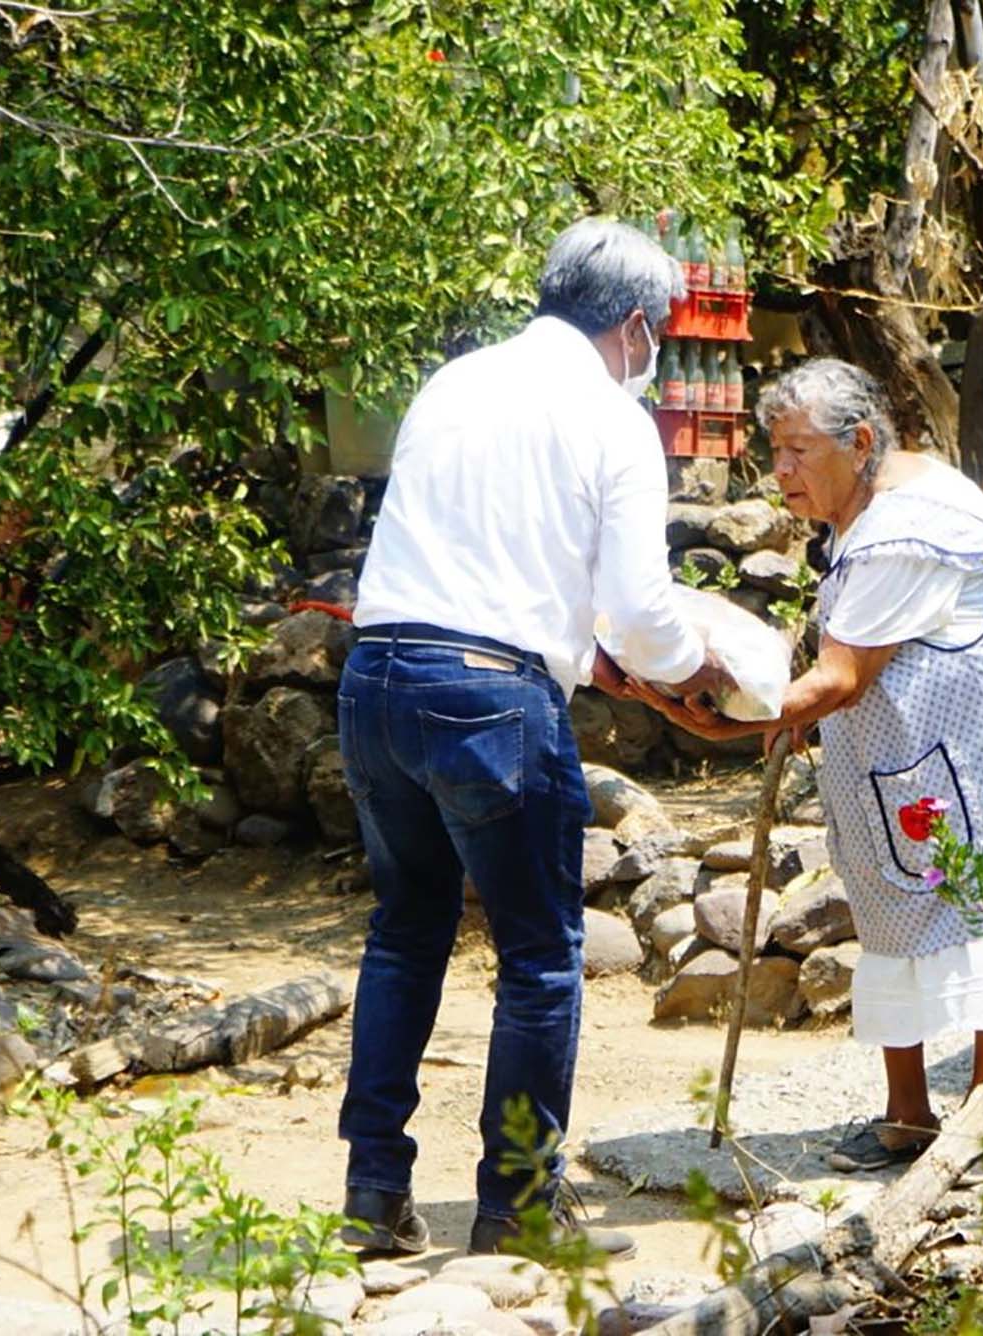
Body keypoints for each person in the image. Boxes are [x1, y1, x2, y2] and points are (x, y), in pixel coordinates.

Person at [336, 218, 735, 1257]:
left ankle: (372, 1190)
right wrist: (698, 671)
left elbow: (490, 561)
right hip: (487, 699)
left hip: (377, 677)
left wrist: (584, 653)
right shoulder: (610, 419)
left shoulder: (454, 382)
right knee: (542, 957)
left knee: (406, 930)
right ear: (638, 330)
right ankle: (514, 1205)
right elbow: (645, 612)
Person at [639, 358, 983, 1173]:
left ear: (859, 443)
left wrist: (735, 720)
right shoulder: (872, 497)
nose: (780, 471)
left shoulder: (904, 525)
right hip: (917, 737)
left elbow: (843, 676)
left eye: (796, 452)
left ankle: (982, 1115)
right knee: (893, 901)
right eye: (773, 451)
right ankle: (907, 1115)